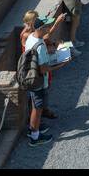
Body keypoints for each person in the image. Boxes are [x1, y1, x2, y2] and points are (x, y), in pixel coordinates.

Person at [21, 10, 72, 146]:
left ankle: (33, 128)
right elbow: (44, 69)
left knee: (35, 105)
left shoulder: (32, 37)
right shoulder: (40, 46)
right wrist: (61, 63)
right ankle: (35, 136)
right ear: (41, 28)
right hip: (38, 80)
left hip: (30, 77)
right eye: (47, 26)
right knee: (37, 109)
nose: (48, 29)